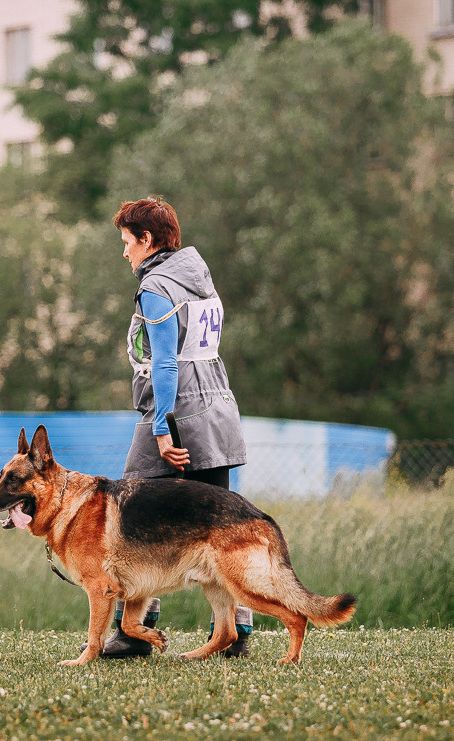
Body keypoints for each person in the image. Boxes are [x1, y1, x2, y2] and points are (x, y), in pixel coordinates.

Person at [96, 196, 254, 658]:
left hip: (174, 413)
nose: (124, 252)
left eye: (127, 243)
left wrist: (163, 430)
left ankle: (132, 633)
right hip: (217, 408)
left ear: (147, 240)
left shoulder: (157, 285)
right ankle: (237, 632)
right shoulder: (198, 277)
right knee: (223, 526)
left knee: (130, 517)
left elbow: (165, 362)